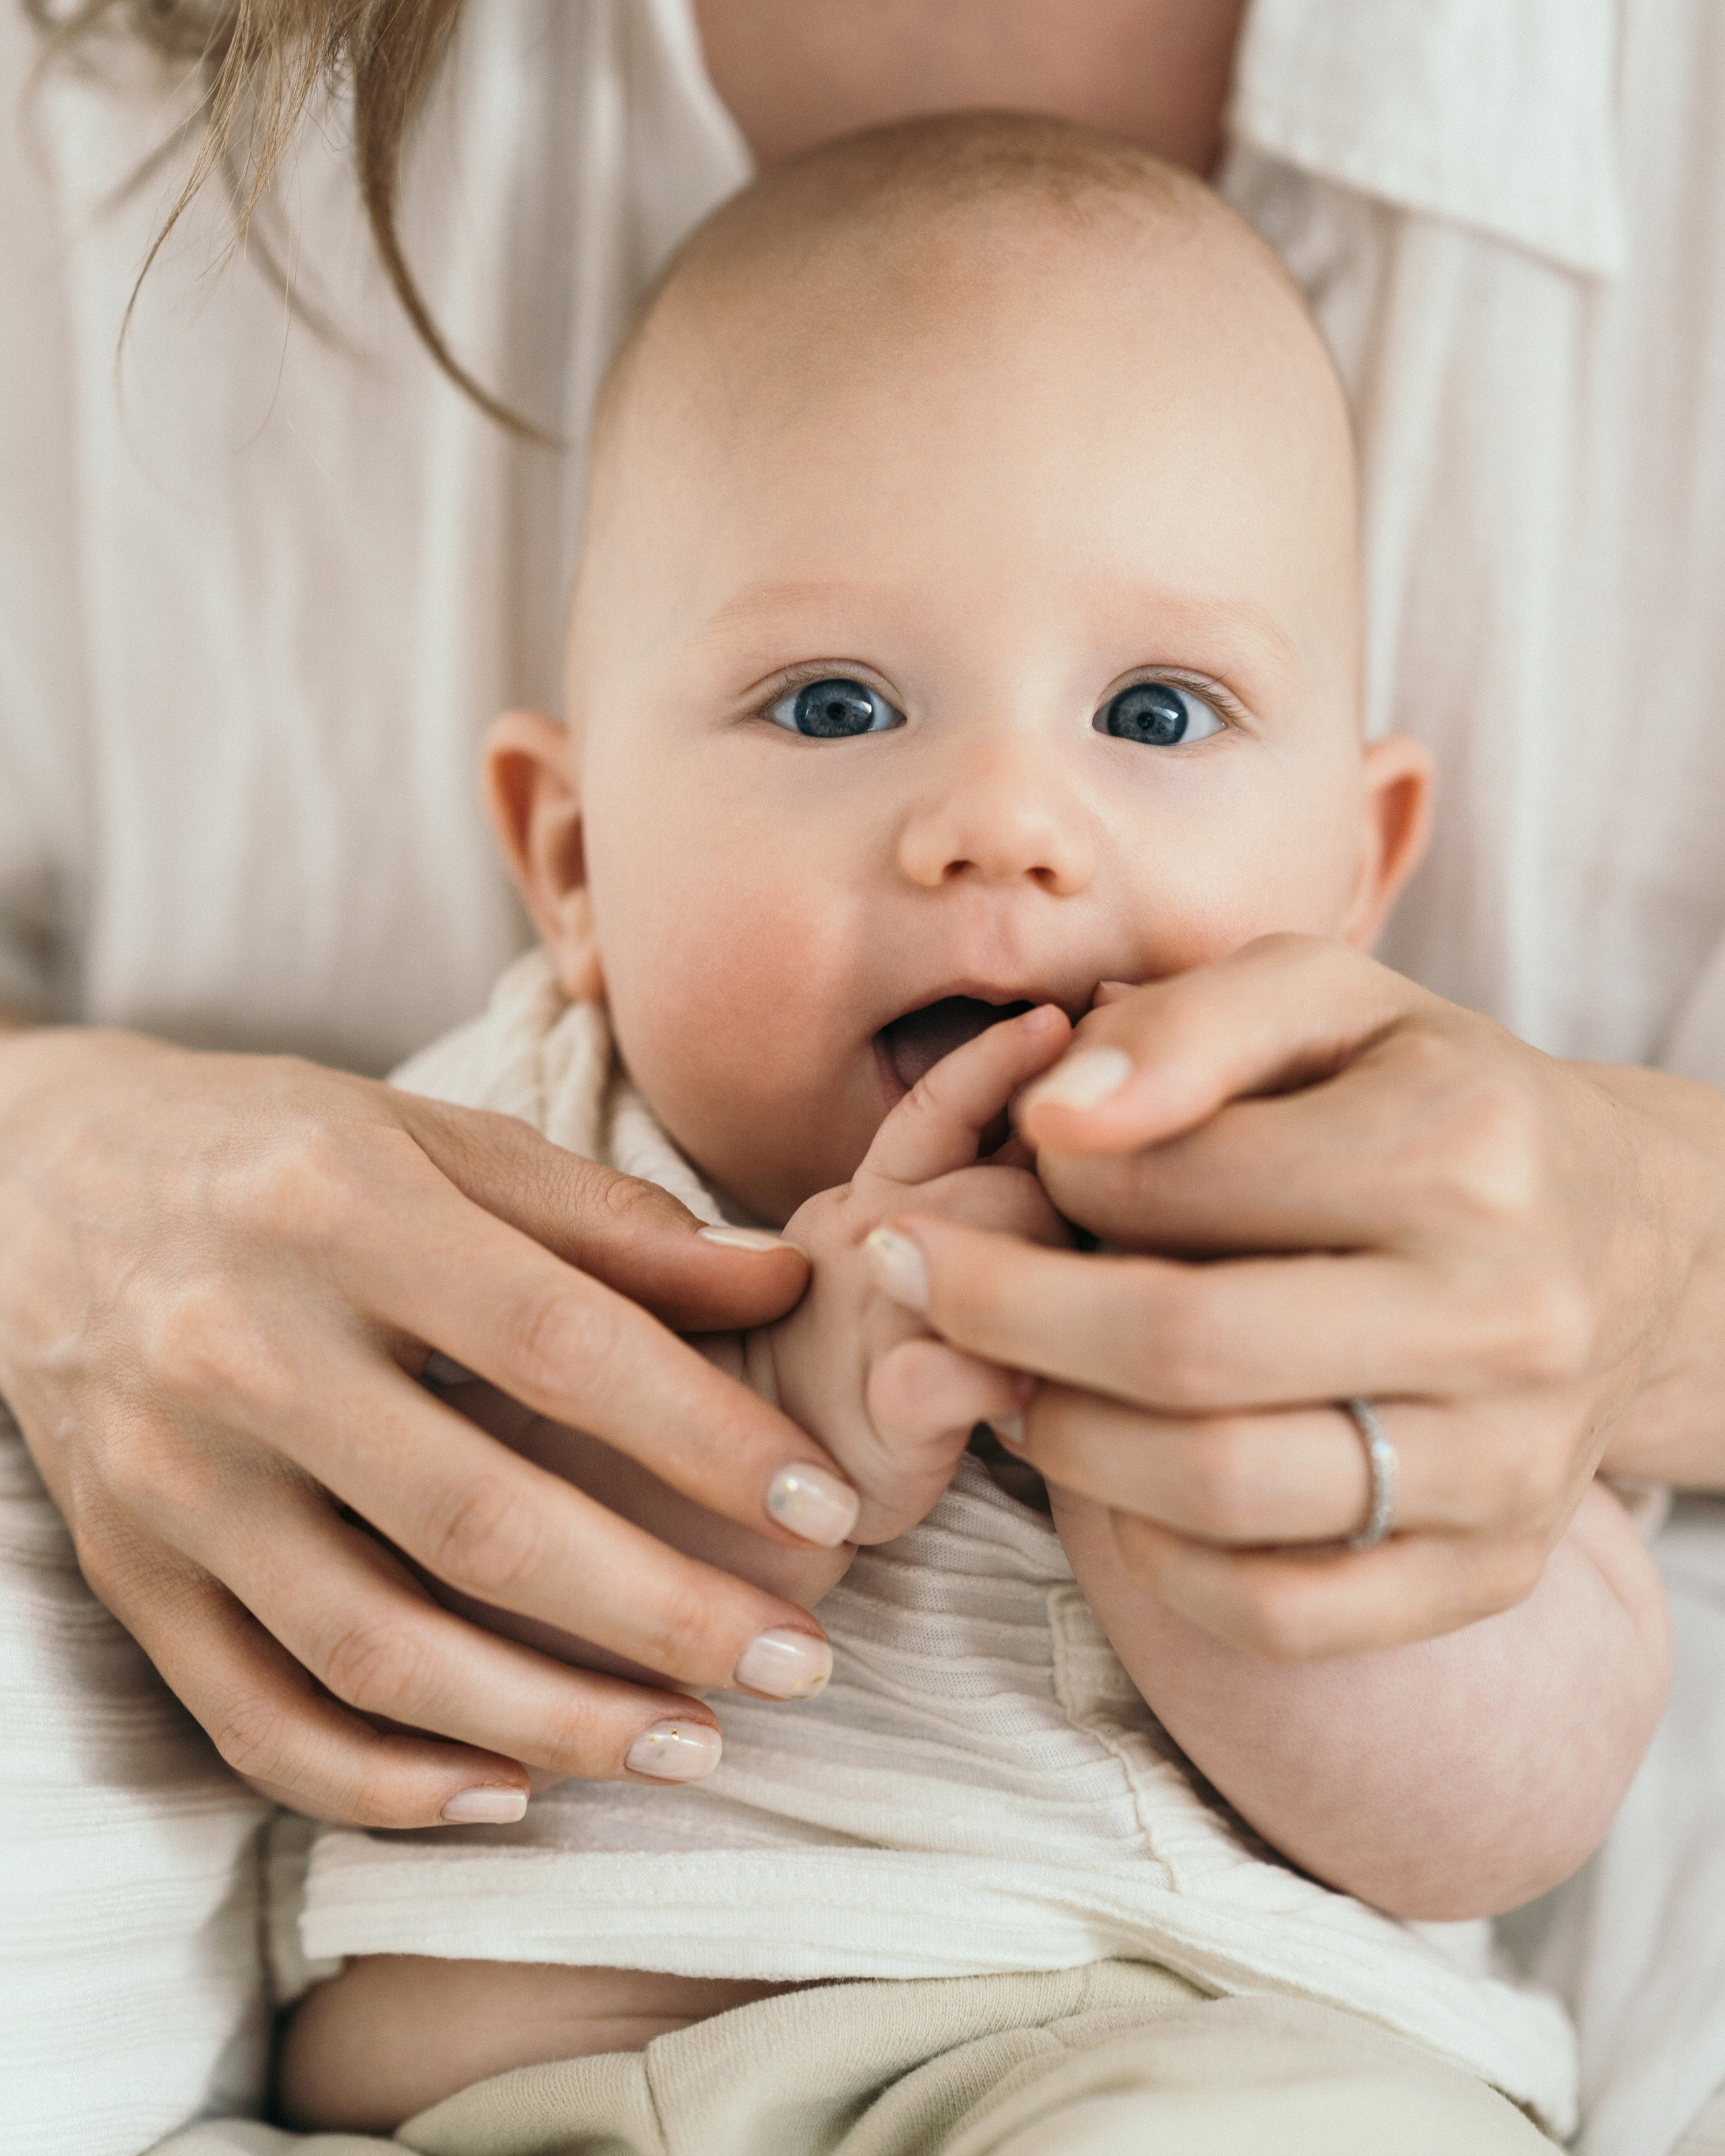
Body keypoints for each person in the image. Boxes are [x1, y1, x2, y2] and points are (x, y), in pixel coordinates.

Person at [5, 5, 1725, 2152]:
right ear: (571, 861)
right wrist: (778, 1424)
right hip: (472, 2103)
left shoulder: (1383, 1231)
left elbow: (1511, 1808)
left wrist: (1206, 1502)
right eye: (832, 707)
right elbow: (389, 1607)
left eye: (1162, 717)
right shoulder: (497, 1150)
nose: (1000, 825)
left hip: (1154, 2065)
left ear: (1362, 872)